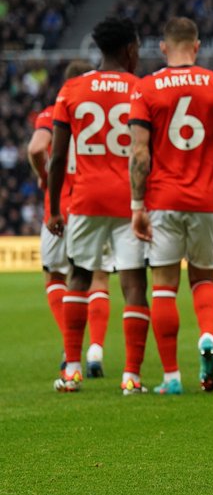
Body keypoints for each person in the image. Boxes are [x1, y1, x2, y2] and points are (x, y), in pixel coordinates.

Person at [129, 17, 213, 395]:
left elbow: (139, 153)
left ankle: (171, 378)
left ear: (163, 48)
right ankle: (208, 337)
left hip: (163, 199)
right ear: (196, 47)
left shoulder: (146, 89)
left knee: (164, 285)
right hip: (206, 199)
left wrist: (137, 204)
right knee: (203, 280)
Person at [47, 21, 146, 393]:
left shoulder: (72, 89)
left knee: (79, 277)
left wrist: (56, 207)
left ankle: (71, 369)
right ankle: (131, 377)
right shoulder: (140, 88)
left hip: (86, 198)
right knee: (133, 283)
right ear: (130, 49)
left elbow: (57, 157)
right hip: (129, 199)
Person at [30, 60, 109, 382]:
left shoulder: (53, 112)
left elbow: (37, 149)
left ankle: (70, 347)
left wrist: (44, 176)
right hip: (94, 204)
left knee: (56, 277)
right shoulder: (105, 112)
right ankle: (95, 350)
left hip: (59, 208)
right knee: (99, 278)